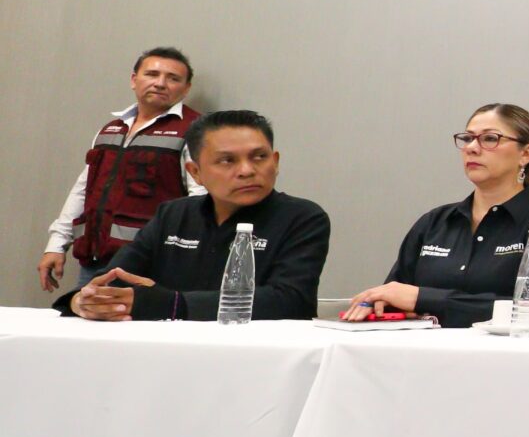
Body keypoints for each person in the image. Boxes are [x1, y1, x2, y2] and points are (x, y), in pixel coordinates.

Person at [52, 110, 329, 321]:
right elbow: (113, 277)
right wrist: (83, 301)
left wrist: (170, 304)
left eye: (259, 157)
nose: (247, 171)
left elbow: (290, 300)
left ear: (275, 162)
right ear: (195, 172)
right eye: (227, 160)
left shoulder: (302, 217)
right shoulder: (173, 214)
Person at [340, 104, 529, 327]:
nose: (472, 148)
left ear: (526, 154)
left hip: (510, 353)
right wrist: (377, 303)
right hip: (427, 351)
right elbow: (394, 296)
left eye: (490, 139)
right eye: (467, 138)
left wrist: (423, 299)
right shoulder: (434, 222)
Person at [38, 47, 206, 292]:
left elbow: (199, 201)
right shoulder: (111, 129)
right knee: (83, 316)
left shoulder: (195, 131)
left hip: (150, 266)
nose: (160, 83)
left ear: (186, 88)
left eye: (173, 78)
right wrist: (56, 244)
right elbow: (84, 189)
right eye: (152, 74)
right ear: (134, 80)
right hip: (95, 261)